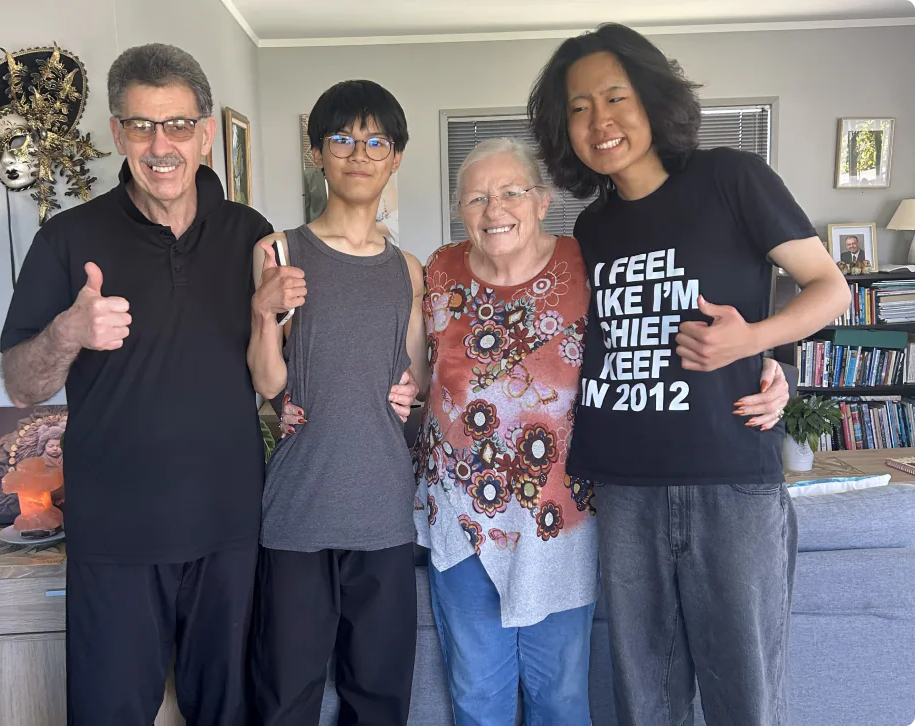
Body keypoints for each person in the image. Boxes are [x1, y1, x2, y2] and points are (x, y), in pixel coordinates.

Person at [279, 138, 790, 726]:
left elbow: (660, 335)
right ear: (460, 211)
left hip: (560, 521)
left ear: (542, 200)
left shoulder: (588, 265)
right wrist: (299, 394)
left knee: (559, 699)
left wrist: (766, 362)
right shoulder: (437, 270)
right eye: (475, 198)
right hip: (460, 518)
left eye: (510, 192)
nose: (494, 209)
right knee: (478, 697)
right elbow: (400, 361)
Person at [528, 24, 851, 725]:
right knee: (646, 702)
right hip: (623, 489)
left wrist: (759, 346)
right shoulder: (592, 228)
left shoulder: (731, 178)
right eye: (578, 107)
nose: (599, 119)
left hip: (728, 481)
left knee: (746, 699)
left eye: (615, 96)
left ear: (652, 97)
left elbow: (830, 288)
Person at [0, 43, 273, 725]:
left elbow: (277, 376)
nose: (161, 146)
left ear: (205, 132)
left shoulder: (253, 237)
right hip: (116, 538)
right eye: (142, 126)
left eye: (178, 124)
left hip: (229, 531)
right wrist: (68, 331)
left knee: (230, 712)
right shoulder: (66, 240)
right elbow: (20, 386)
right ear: (118, 134)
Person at [248, 79, 426, 726]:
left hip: (383, 508)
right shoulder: (279, 251)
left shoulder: (409, 269)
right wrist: (263, 314)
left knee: (379, 699)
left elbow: (415, 380)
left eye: (376, 140)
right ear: (317, 152)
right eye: (343, 138)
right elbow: (268, 382)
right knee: (285, 694)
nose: (360, 153)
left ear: (396, 157)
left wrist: (411, 391)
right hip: (299, 508)